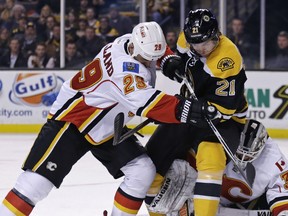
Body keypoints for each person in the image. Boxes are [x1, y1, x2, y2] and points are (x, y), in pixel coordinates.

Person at [0, 21, 217, 216]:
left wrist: (168, 58)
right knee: (35, 185)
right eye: (147, 58)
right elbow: (150, 104)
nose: (150, 61)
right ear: (135, 50)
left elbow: (154, 47)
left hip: (105, 126)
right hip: (73, 121)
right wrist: (190, 109)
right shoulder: (125, 71)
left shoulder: (127, 41)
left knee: (142, 171)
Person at [144, 9, 248, 216]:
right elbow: (180, 61)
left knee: (211, 158)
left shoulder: (227, 58)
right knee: (149, 165)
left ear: (216, 35)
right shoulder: (187, 39)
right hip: (188, 111)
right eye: (195, 43)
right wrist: (173, 65)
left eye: (205, 43)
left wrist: (188, 100)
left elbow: (224, 109)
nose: (200, 48)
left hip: (222, 120)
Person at [149, 119, 288, 216]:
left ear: (261, 149)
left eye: (247, 157)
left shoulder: (274, 159)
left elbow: (282, 194)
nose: (240, 160)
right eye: (239, 153)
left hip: (251, 205)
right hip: (207, 203)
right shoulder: (219, 141)